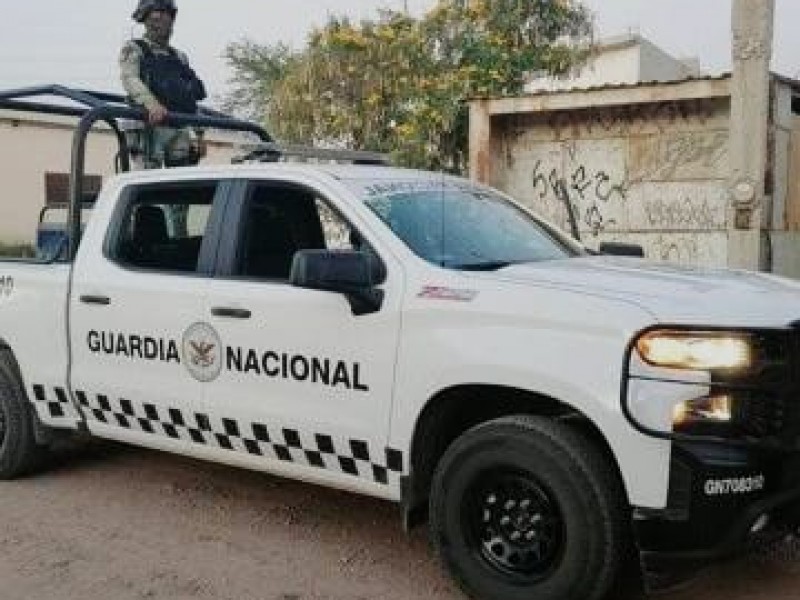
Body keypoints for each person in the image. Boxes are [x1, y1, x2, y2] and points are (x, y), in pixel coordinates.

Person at [120, 0, 207, 168]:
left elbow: (188, 97)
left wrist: (199, 135)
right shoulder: (134, 48)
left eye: (166, 14)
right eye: (157, 14)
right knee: (148, 180)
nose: (162, 19)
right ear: (145, 19)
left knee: (181, 180)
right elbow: (130, 79)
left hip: (177, 125)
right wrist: (152, 104)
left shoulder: (179, 56)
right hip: (149, 127)